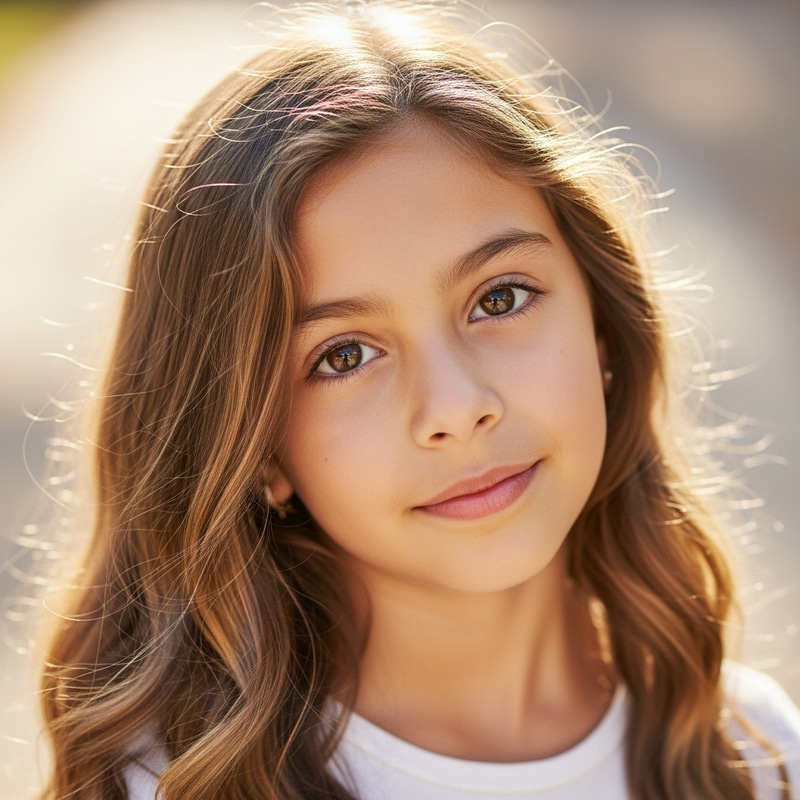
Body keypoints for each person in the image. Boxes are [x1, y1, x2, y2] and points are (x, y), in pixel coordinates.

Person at [37, 2, 800, 799]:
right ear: (257, 448)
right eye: (344, 355)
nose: (456, 407)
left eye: (500, 299)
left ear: (602, 327)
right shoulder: (173, 786)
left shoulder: (758, 758)